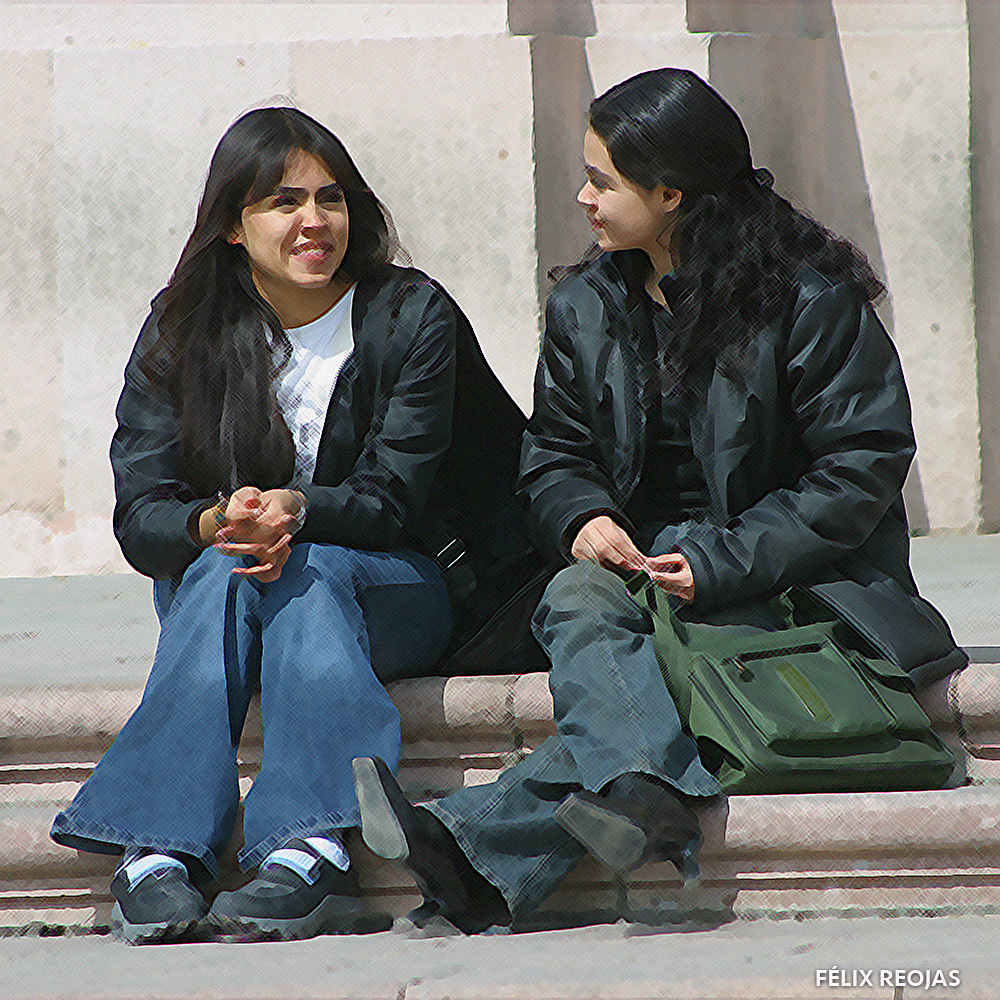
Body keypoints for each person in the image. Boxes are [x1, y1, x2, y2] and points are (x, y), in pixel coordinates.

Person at [351, 67, 968, 933]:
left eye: (602, 179)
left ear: (670, 191)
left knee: (624, 650)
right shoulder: (583, 307)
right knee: (575, 588)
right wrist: (581, 518)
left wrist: (713, 561)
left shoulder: (808, 301)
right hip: (642, 562)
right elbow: (554, 453)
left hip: (795, 574)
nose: (583, 196)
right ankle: (644, 796)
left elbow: (859, 469)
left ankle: (470, 844)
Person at [50, 107, 536, 943]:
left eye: (331, 198)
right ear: (233, 227)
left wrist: (296, 509)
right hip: (228, 589)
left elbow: (393, 501)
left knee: (308, 572)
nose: (315, 221)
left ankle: (306, 838)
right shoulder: (182, 328)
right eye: (283, 202)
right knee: (222, 567)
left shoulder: (410, 314)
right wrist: (215, 520)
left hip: (402, 585)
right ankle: (166, 848)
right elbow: (143, 516)